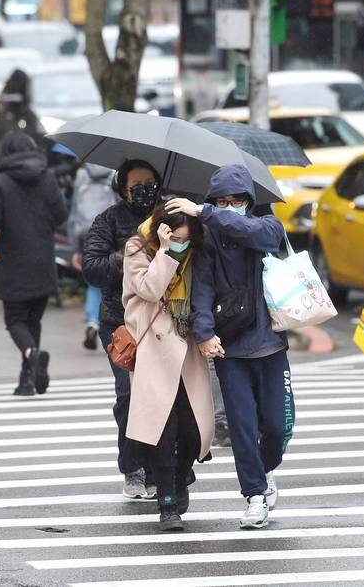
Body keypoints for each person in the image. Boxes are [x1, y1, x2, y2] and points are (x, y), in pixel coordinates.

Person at [174, 163, 293, 530]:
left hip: (271, 343)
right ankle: (254, 495)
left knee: (277, 426)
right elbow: (203, 289)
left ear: (249, 201)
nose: (229, 206)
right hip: (231, 349)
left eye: (236, 200)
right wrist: (205, 333)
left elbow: (250, 231)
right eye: (221, 201)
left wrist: (207, 212)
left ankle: (266, 467)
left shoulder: (268, 227)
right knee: (241, 425)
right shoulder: (208, 239)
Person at [122, 204, 214, 531]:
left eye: (184, 240)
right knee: (163, 429)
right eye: (174, 237)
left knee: (193, 429)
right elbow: (149, 289)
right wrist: (164, 252)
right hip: (153, 349)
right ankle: (167, 504)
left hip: (187, 345)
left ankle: (180, 473)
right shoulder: (137, 248)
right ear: (161, 230)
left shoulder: (198, 253)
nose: (180, 244)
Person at [82, 158, 161, 499]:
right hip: (120, 323)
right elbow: (92, 268)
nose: (146, 192)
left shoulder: (169, 215)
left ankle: (163, 469)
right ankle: (133, 467)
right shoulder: (108, 220)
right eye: (138, 186)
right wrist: (129, 256)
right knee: (128, 395)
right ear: (123, 188)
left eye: (151, 184)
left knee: (161, 397)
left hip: (164, 322)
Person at [0, 131, 67, 396]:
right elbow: (61, 215)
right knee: (33, 320)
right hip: (43, 258)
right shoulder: (48, 178)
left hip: (14, 261)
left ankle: (32, 356)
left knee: (15, 319)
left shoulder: (0, 182)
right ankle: (27, 379)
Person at [67, 163, 118, 350]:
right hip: (109, 231)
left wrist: (75, 248)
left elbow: (73, 213)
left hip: (84, 232)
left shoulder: (81, 174)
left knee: (93, 280)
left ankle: (92, 322)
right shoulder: (115, 173)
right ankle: (112, 327)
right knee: (112, 279)